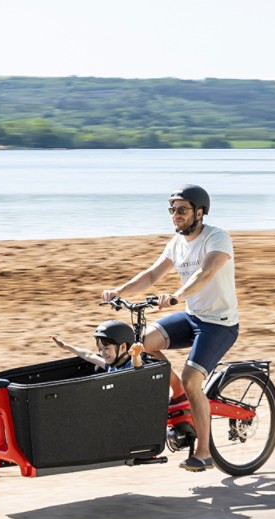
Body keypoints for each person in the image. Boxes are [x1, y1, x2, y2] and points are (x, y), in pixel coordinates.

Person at [101, 184, 239, 472]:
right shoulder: (176, 244)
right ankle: (178, 397)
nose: (175, 215)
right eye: (172, 210)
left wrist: (177, 296)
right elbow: (152, 274)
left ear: (199, 212)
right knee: (144, 344)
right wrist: (119, 291)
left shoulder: (217, 238)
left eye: (182, 210)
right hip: (192, 317)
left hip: (219, 324)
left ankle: (203, 453)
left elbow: (206, 272)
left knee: (192, 380)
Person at [51, 319, 147, 373]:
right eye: (100, 349)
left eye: (106, 348)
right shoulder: (111, 365)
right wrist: (65, 346)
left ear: (122, 347)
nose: (102, 354)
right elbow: (89, 355)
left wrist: (135, 355)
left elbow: (137, 367)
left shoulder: (129, 365)